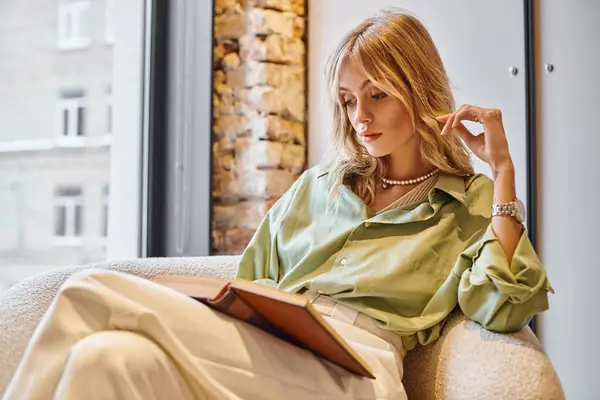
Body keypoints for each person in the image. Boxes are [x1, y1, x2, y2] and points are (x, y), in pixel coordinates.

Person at [3, 9, 553, 400]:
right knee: (108, 362)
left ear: (419, 90)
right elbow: (250, 283)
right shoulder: (321, 186)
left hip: (355, 369)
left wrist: (502, 173)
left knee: (87, 292)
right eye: (347, 99)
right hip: (270, 346)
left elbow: (501, 305)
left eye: (378, 94)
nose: (360, 115)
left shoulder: (469, 201)